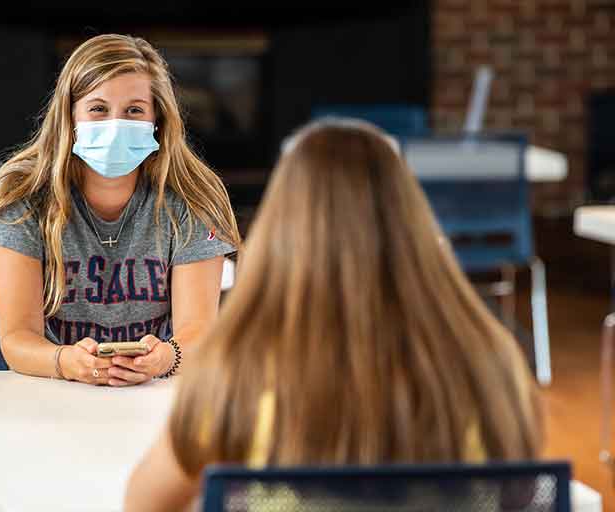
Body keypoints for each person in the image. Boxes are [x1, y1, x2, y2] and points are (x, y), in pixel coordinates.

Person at [124, 118, 542, 511]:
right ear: (414, 227)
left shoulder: (236, 379)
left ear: (279, 235)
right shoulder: (491, 365)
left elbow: (143, 503)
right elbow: (519, 494)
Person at [0, 34, 240, 387]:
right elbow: (18, 338)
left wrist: (165, 358)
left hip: (151, 396)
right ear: (70, 117)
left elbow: (198, 332)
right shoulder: (20, 197)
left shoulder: (192, 196)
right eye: (98, 108)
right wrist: (66, 362)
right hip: (43, 393)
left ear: (157, 119)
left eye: (134, 111)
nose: (115, 124)